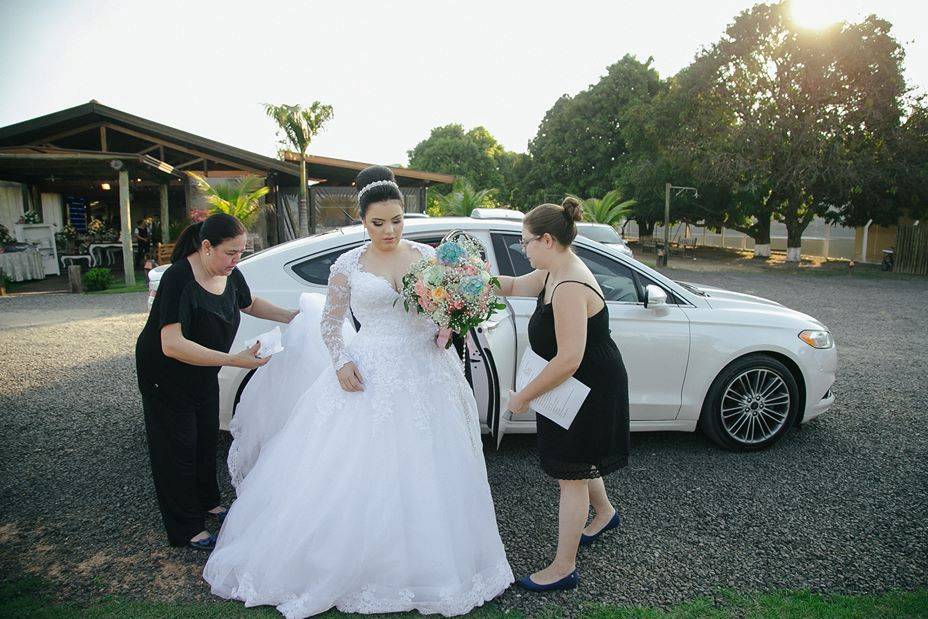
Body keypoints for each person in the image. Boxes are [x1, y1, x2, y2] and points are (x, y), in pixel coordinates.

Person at [203, 166, 513, 617]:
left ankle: (431, 564)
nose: (389, 231)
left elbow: (451, 304)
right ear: (363, 222)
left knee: (432, 467)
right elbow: (331, 322)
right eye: (378, 223)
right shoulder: (348, 264)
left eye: (397, 220)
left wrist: (448, 324)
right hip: (368, 369)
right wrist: (342, 360)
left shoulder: (430, 257)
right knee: (352, 468)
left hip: (427, 369)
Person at [135, 213, 298, 550]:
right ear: (206, 247)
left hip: (204, 370)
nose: (235, 261)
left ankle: (208, 501)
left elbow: (249, 302)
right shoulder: (179, 277)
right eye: (230, 253)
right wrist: (233, 360)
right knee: (177, 448)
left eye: (241, 253)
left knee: (205, 437)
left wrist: (290, 316)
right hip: (166, 375)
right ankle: (185, 527)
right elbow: (171, 344)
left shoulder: (230, 272)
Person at [494, 197, 630, 592]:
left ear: (548, 240)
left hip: (585, 388)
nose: (523, 249)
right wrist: (471, 281)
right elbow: (517, 285)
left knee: (570, 475)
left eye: (525, 242)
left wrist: (522, 396)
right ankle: (604, 513)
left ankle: (563, 568)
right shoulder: (552, 270)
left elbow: (569, 358)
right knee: (581, 464)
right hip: (573, 383)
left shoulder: (569, 283)